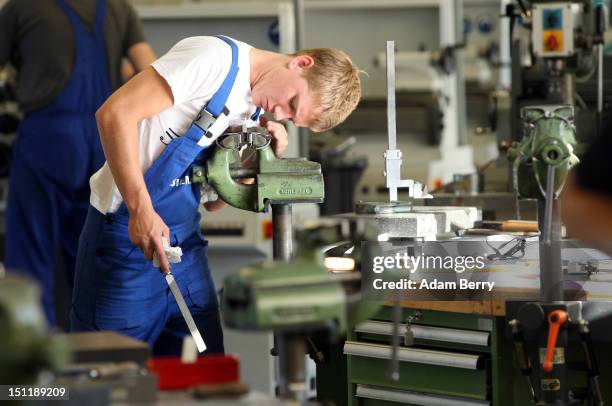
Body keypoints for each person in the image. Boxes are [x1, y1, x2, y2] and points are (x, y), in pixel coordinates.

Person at [70, 35, 361, 355]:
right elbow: (114, 113)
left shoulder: (252, 108)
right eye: (291, 104)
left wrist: (252, 165)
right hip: (126, 238)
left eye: (291, 118)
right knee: (111, 373)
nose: (280, 114)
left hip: (184, 243)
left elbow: (213, 203)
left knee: (201, 370)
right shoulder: (214, 60)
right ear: (301, 63)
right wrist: (141, 210)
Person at [0, 0, 156, 326]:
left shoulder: (21, 8)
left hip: (49, 139)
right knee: (87, 258)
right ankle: (90, 361)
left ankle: (32, 362)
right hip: (106, 142)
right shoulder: (118, 8)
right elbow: (149, 69)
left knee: (30, 255)